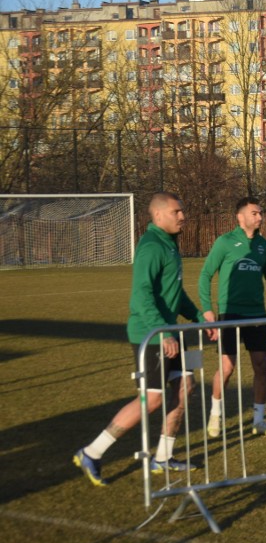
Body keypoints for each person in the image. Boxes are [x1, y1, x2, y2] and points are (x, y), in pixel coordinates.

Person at [74, 192, 216, 486]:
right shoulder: (151, 246)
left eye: (183, 211)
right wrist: (162, 332)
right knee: (152, 399)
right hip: (150, 335)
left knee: (185, 386)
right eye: (177, 211)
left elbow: (175, 293)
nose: (182, 216)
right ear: (159, 215)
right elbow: (141, 296)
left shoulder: (171, 245)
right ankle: (92, 452)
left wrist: (199, 317)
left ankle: (163, 457)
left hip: (170, 334)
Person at [199, 197, 266, 438]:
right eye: (254, 213)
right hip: (230, 313)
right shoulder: (225, 242)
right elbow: (205, 275)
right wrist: (208, 310)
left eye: (261, 213)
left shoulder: (264, 246)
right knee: (227, 367)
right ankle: (215, 415)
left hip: (257, 314)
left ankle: (259, 419)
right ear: (240, 217)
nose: (259, 217)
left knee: (261, 366)